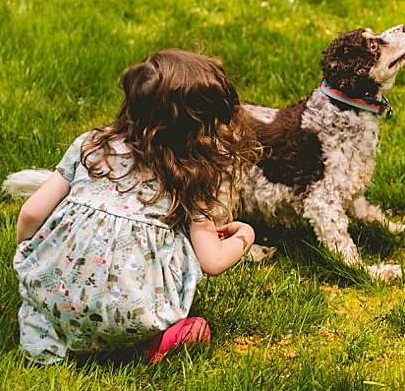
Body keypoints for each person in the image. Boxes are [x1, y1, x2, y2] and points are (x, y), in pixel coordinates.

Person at [13, 49, 260, 363]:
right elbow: (212, 261)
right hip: (131, 312)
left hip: (54, 296)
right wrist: (245, 235)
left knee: (55, 300)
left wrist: (37, 256)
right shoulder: (190, 176)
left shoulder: (90, 145)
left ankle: (55, 330)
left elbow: (32, 212)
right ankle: (150, 340)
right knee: (174, 249)